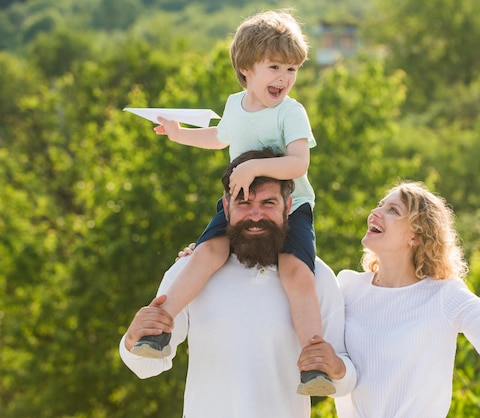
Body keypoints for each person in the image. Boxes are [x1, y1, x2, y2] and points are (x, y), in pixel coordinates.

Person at [131, 9, 333, 395]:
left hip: (290, 208)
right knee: (204, 254)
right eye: (274, 67)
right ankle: (159, 326)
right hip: (239, 202)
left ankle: (313, 359)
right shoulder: (234, 104)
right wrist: (179, 135)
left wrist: (255, 164)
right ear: (245, 68)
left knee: (296, 272)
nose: (283, 79)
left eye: (291, 70)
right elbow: (221, 137)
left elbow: (298, 163)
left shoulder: (291, 112)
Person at [119, 149, 356, 418]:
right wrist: (131, 338)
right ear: (226, 207)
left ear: (288, 207)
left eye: (268, 203)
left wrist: (336, 367)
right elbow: (146, 366)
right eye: (244, 203)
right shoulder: (189, 271)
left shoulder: (316, 277)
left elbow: (343, 381)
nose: (256, 215)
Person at [324, 181, 480, 418]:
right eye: (379, 205)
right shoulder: (348, 287)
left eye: (392, 210)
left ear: (416, 237)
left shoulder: (444, 296)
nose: (375, 213)